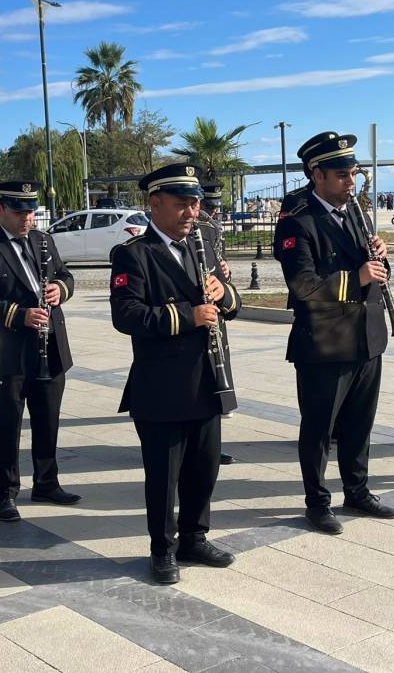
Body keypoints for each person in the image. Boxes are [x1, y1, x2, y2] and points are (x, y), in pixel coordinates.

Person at [110, 163, 242, 585]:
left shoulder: (202, 241)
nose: (192, 211)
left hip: (208, 377)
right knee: (164, 476)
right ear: (155, 203)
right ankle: (161, 548)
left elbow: (229, 300)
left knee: (204, 467)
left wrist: (225, 294)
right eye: (183, 203)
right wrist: (188, 315)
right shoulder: (132, 254)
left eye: (196, 202)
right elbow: (126, 314)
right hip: (162, 385)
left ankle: (195, 537)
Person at [274, 132, 394, 535]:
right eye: (342, 174)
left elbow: (374, 276)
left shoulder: (355, 216)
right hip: (325, 343)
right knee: (319, 429)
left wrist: (380, 262)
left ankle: (357, 491)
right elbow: (302, 285)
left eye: (354, 173)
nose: (351, 181)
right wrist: (356, 276)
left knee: (360, 423)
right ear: (317, 174)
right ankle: (317, 501)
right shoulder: (299, 221)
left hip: (367, 337)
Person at [0, 180, 81, 522]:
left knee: (48, 418)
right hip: (10, 349)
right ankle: (4, 493)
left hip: (50, 344)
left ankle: (46, 482)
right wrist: (20, 314)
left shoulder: (44, 241)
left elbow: (66, 276)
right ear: (0, 210)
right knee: (7, 423)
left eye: (31, 211)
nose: (27, 218)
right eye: (19, 212)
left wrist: (60, 289)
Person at [198, 178, 239, 466]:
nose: (211, 211)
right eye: (208, 205)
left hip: (215, 314)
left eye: (215, 206)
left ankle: (213, 444)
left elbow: (217, 267)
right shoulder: (199, 227)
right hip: (195, 316)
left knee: (216, 380)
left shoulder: (211, 227)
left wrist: (224, 274)